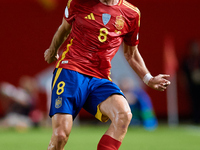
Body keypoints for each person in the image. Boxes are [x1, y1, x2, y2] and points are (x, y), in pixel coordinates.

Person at [44, 0, 171, 149]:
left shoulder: (131, 13)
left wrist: (148, 79)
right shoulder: (78, 2)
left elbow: (131, 54)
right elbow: (64, 29)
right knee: (60, 136)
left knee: (123, 114)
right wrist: (53, 50)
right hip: (71, 71)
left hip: (100, 78)